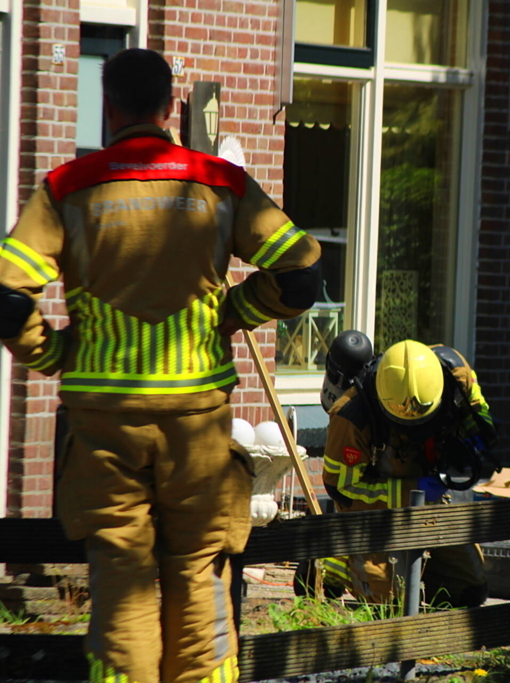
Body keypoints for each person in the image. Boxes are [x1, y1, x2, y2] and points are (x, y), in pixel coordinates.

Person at [0, 49, 321, 683]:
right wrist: (234, 312)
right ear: (171, 108)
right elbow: (304, 274)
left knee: (121, 582)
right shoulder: (220, 183)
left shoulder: (68, 188)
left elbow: (10, 298)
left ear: (109, 108)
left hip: (105, 430)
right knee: (199, 577)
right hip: (197, 427)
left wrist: (53, 353)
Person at [320, 339, 497, 608]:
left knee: (468, 592)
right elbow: (342, 489)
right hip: (379, 516)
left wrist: (477, 435)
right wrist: (411, 490)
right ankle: (329, 562)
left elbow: (477, 407)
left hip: (434, 498)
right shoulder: (351, 416)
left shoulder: (456, 373)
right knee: (389, 603)